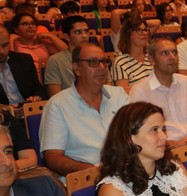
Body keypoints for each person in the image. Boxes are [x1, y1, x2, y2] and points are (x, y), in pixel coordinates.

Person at [40, 43, 129, 176]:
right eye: (93, 62)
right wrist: (94, 171)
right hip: (88, 178)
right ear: (77, 69)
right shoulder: (58, 105)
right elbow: (53, 157)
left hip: (127, 170)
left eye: (104, 62)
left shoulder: (119, 95)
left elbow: (139, 133)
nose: (102, 67)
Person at [129, 38, 187, 147]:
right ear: (152, 60)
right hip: (162, 149)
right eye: (165, 53)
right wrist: (174, 144)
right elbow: (140, 133)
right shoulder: (140, 90)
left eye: (174, 52)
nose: (172, 57)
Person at [10, 13, 67, 81]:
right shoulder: (14, 44)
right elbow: (11, 65)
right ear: (16, 29)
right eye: (25, 24)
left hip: (48, 79)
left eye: (33, 24)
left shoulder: (42, 42)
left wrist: (50, 36)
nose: (30, 26)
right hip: (26, 81)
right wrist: (11, 39)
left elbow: (66, 53)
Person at [45, 15, 90, 97]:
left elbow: (106, 87)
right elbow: (55, 97)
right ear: (66, 36)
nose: (84, 35)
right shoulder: (55, 61)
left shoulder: (97, 56)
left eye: (86, 31)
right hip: (68, 103)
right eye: (78, 32)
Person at [0, 26, 46, 105]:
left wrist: (36, 98)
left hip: (27, 108)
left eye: (5, 45)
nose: (1, 51)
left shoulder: (24, 60)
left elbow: (38, 90)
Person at [110, 12, 153, 93]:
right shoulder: (120, 62)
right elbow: (123, 92)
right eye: (139, 30)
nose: (144, 33)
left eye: (145, 30)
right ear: (128, 34)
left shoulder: (152, 56)